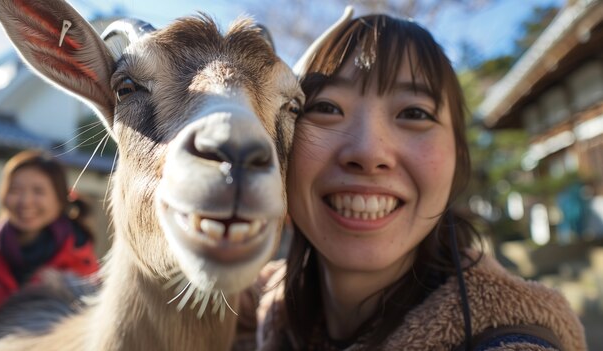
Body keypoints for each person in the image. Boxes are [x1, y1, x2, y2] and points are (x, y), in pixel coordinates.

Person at [250, 8, 586, 351]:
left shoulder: (511, 340)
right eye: (326, 108)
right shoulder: (258, 305)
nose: (369, 152)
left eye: (414, 113)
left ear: (457, 157)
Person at [0, 150, 99, 330]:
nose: (25, 201)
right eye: (15, 190)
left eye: (38, 191)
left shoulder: (83, 269)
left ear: (60, 200)